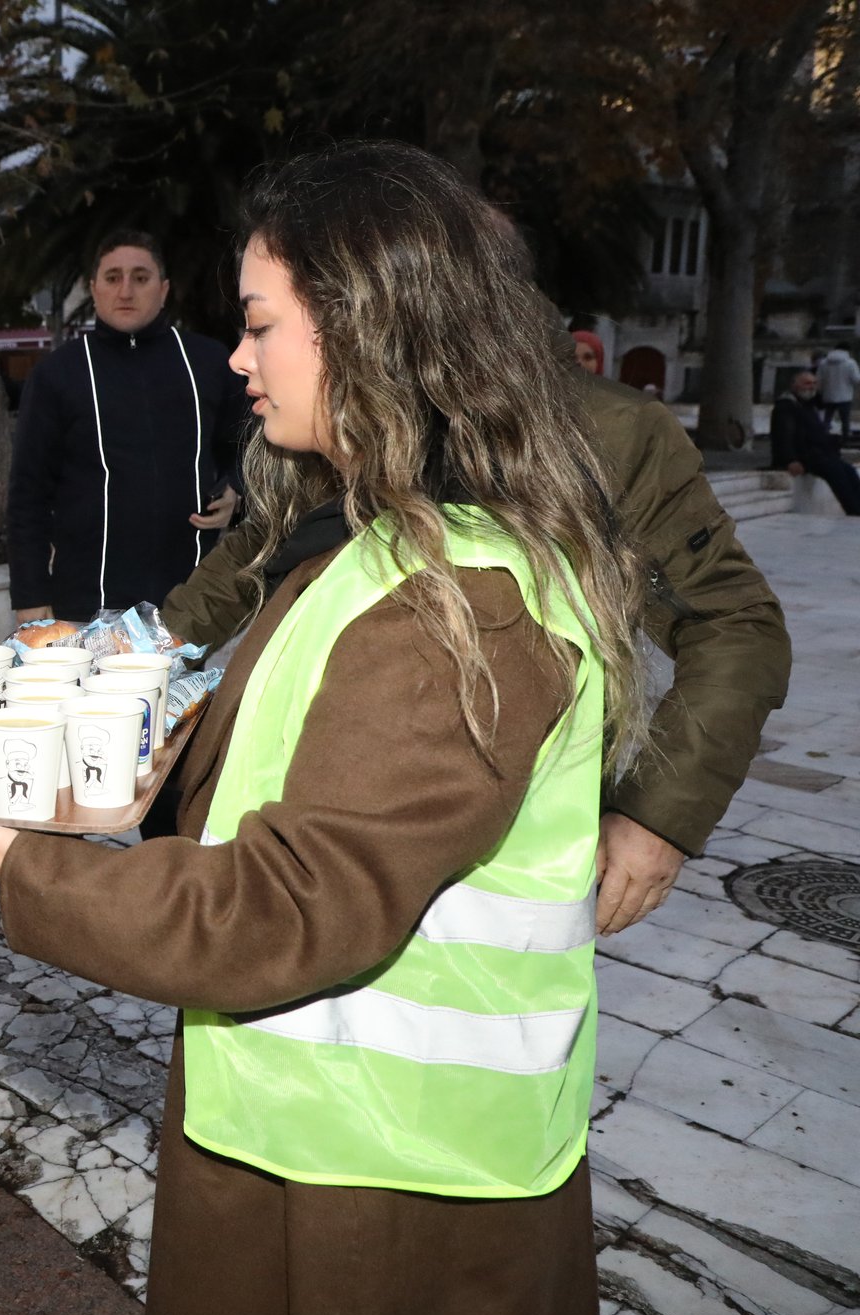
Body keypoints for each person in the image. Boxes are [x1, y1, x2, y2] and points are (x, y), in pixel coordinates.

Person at [0, 140, 656, 1315]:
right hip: (310, 1122)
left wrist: (22, 864)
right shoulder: (368, 542)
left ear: (365, 329)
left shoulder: (458, 600)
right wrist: (150, 778)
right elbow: (299, 759)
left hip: (387, 1184)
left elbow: (294, 901)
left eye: (258, 325)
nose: (236, 358)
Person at [166, 321, 790, 945]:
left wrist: (659, 816)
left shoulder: (605, 429)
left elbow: (735, 621)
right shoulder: (339, 400)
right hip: (315, 794)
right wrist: (149, 654)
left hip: (507, 829)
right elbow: (257, 549)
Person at [7, 229, 249, 625]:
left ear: (164, 288)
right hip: (84, 604)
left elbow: (250, 446)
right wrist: (30, 598)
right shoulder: (58, 374)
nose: (126, 291)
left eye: (140, 277)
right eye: (113, 277)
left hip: (192, 602)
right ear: (93, 289)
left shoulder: (207, 363)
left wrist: (237, 490)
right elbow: (27, 495)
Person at [772, 369, 860, 515]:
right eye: (806, 383)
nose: (811, 387)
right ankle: (855, 511)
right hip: (804, 456)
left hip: (818, 454)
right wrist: (790, 460)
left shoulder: (807, 405)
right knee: (836, 473)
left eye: (814, 383)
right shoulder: (786, 406)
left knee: (849, 471)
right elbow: (783, 436)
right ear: (795, 385)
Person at [815, 341, 857, 438]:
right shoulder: (850, 363)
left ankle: (822, 438)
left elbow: (818, 379)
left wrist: (821, 392)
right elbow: (856, 379)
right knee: (845, 420)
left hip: (828, 395)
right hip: (845, 396)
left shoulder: (823, 363)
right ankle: (845, 439)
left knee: (827, 418)